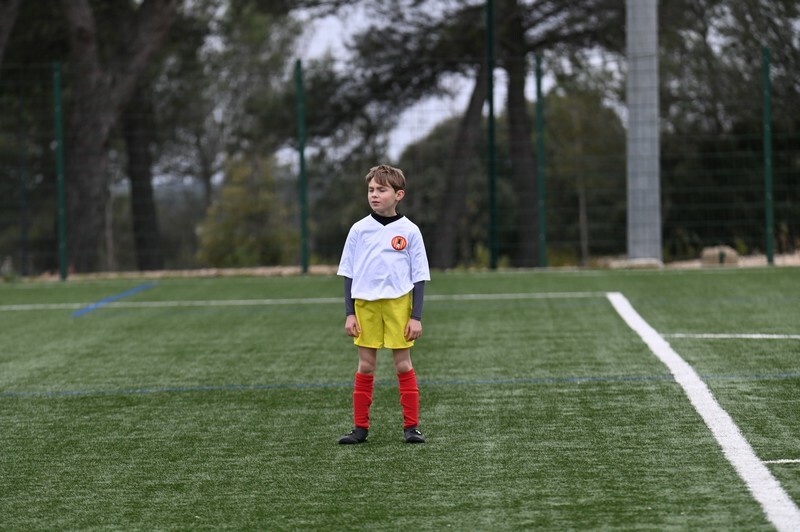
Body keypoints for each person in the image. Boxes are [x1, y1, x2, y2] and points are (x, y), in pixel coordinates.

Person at [336, 164, 431, 444]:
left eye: (381, 190)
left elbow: (419, 277)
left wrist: (416, 317)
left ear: (398, 195)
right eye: (371, 190)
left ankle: (411, 428)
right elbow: (348, 273)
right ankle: (360, 428)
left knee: (403, 364)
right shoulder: (359, 230)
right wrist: (350, 313)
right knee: (366, 366)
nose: (374, 195)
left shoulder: (410, 231)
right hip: (365, 306)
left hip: (398, 306)